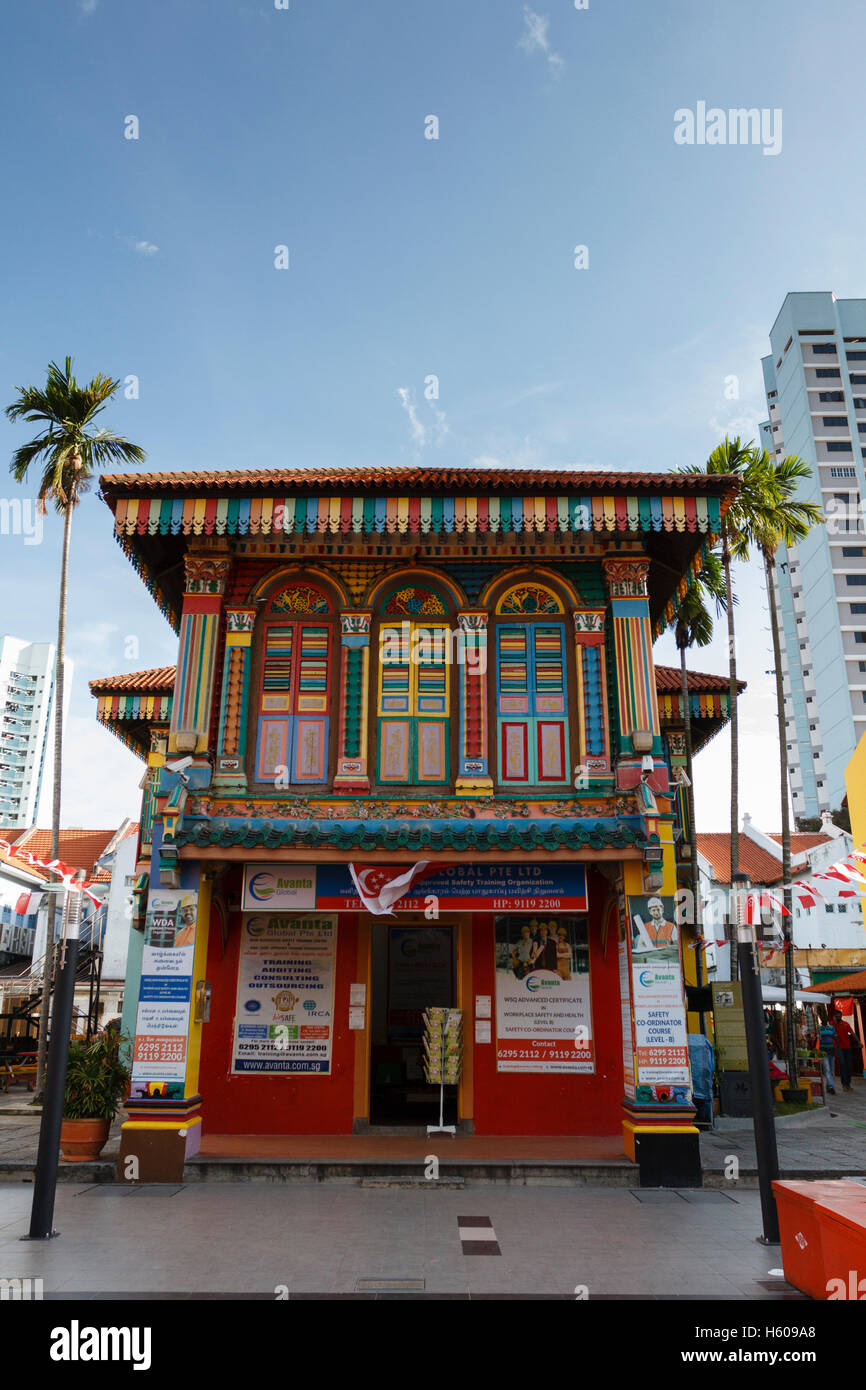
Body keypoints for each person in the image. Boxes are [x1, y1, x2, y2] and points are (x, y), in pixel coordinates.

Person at [833, 1008, 858, 1092]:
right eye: (837, 1017)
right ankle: (844, 1084)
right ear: (834, 1017)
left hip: (847, 1047)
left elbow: (852, 1033)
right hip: (839, 1048)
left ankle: (848, 1084)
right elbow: (832, 1032)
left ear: (841, 1016)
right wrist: (835, 1023)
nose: (839, 1018)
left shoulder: (846, 1024)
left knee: (849, 1066)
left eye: (840, 1016)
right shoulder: (832, 1025)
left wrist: (859, 1041)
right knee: (842, 1066)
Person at [818, 1016, 837, 1095]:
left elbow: (836, 1038)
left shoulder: (831, 1028)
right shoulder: (819, 1028)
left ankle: (828, 1087)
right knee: (827, 1069)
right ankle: (831, 1087)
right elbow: (816, 1039)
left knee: (832, 1071)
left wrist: (837, 1049)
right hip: (823, 1051)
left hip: (831, 1050)